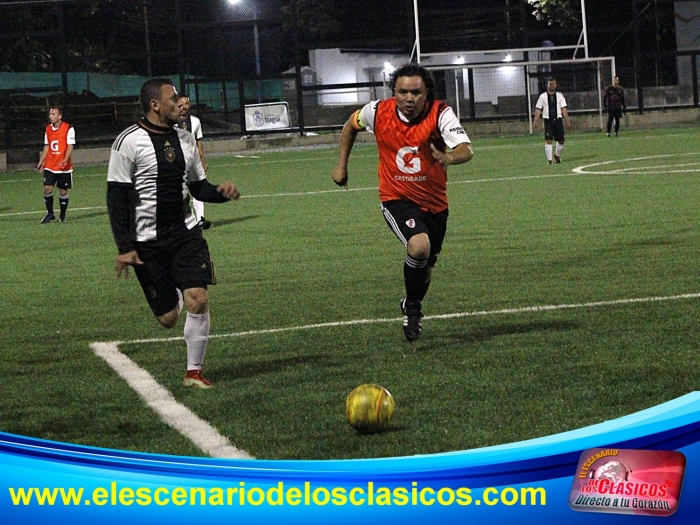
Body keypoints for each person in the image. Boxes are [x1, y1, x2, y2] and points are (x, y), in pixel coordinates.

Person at [107, 78, 241, 388]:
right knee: (168, 318)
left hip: (186, 234)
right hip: (147, 242)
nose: (179, 102)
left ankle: (194, 372)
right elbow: (116, 198)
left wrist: (220, 193)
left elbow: (198, 187)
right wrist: (124, 247)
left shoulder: (185, 139)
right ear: (155, 105)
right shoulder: (128, 142)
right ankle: (174, 290)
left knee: (198, 299)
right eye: (173, 98)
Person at [331, 63, 473, 342]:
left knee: (426, 268)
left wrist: (449, 157)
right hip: (396, 198)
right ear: (393, 92)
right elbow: (350, 126)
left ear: (426, 92)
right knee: (419, 246)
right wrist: (341, 166)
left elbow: (465, 149)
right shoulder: (376, 112)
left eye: (416, 92)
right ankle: (414, 310)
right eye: (402, 92)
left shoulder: (440, 113)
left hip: (435, 203)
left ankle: (411, 303)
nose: (409, 98)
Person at [177, 94, 211, 229]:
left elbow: (199, 142)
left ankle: (200, 219)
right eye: (180, 104)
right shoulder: (171, 122)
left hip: (192, 161)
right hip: (177, 163)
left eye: (186, 103)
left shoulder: (195, 121)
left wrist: (203, 161)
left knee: (198, 189)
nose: (184, 107)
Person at [37, 106, 75, 223]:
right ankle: (50, 214)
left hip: (63, 167)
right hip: (50, 165)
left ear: (60, 116)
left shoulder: (68, 128)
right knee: (47, 188)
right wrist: (41, 161)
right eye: (50, 114)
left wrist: (65, 159)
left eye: (53, 114)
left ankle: (62, 215)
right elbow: (47, 146)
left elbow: (70, 145)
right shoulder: (48, 129)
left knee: (63, 191)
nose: (50, 116)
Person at [533, 78, 571, 165]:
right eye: (550, 84)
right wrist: (535, 121)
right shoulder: (542, 96)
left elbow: (564, 108)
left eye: (554, 84)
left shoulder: (560, 96)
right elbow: (538, 109)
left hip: (558, 120)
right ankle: (549, 160)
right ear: (548, 85)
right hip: (548, 121)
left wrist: (567, 121)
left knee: (561, 140)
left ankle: (556, 154)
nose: (552, 85)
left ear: (556, 85)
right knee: (548, 139)